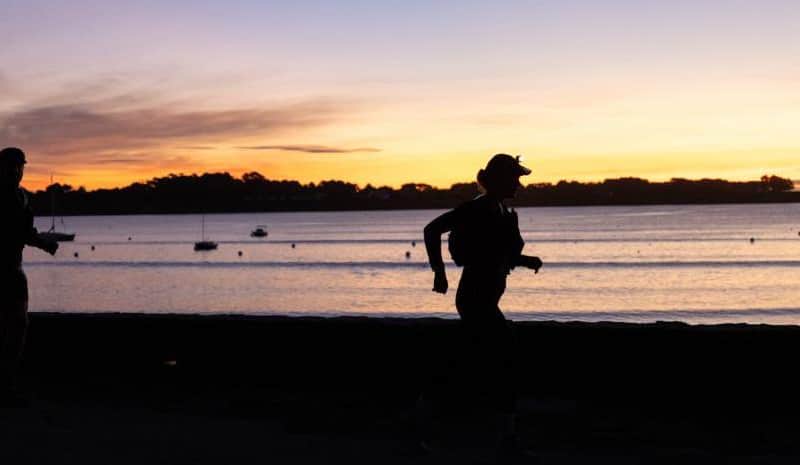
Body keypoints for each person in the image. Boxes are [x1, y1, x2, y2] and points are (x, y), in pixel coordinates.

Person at [421, 153, 542, 462]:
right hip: (476, 299)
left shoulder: (500, 211)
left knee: (467, 367)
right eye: (514, 178)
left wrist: (524, 260)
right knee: (503, 361)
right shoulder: (477, 208)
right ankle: (504, 439)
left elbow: (494, 252)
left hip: (486, 298)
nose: (519, 184)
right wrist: (439, 272)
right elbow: (432, 230)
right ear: (499, 180)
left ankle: (430, 428)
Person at [0, 147, 59, 406]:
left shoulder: (22, 198)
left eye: (19, 166)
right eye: (10, 166)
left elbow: (25, 232)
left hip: (14, 272)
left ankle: (7, 385)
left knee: (17, 327)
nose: (16, 171)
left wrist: (44, 243)